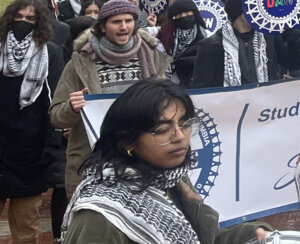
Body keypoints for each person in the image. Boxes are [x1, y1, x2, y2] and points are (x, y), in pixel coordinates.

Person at [62, 79, 273, 243]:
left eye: (185, 124)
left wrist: (251, 235)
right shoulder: (101, 214)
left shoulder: (172, 179)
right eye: (163, 130)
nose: (180, 136)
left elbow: (203, 238)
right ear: (128, 141)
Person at [50, 0, 170, 193]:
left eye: (128, 21)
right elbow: (56, 116)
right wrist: (72, 107)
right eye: (116, 22)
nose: (124, 27)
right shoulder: (80, 62)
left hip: (143, 160)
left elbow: (165, 105)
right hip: (94, 162)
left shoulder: (152, 56)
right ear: (103, 26)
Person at [1, 0, 66, 244]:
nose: (23, 22)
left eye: (30, 18)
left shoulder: (51, 53)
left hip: (31, 154)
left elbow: (55, 101)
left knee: (26, 229)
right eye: (18, 17)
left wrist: (50, 148)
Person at [188, 0, 300, 89]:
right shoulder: (211, 45)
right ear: (239, 13)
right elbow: (202, 86)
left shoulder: (269, 38)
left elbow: (293, 65)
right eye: (253, 8)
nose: (259, 13)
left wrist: (294, 43)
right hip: (231, 107)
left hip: (267, 104)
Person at [156, 0, 207, 87]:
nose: (184, 16)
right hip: (172, 82)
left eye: (187, 12)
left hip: (198, 80)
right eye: (179, 14)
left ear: (194, 13)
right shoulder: (167, 34)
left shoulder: (205, 35)